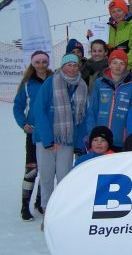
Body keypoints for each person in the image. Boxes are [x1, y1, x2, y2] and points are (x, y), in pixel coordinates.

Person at [33, 54, 88, 225]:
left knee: (64, 177)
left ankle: (61, 212)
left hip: (68, 139)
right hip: (47, 139)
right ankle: (47, 212)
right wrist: (48, 139)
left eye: (75, 65)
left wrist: (79, 145)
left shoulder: (82, 85)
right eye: (69, 65)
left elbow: (82, 118)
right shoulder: (51, 82)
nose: (72, 68)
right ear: (62, 66)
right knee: (47, 177)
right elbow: (39, 110)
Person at [13, 51, 52, 221]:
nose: (41, 65)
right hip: (34, 133)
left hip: (49, 133)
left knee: (46, 169)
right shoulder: (28, 84)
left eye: (44, 61)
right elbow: (18, 106)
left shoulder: (54, 80)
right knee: (32, 169)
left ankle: (39, 202)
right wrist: (23, 123)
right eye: (38, 62)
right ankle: (24, 206)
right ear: (33, 63)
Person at [87, 50, 132, 151]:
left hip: (121, 139)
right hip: (100, 140)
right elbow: (92, 111)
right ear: (109, 64)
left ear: (126, 66)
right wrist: (91, 134)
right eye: (115, 62)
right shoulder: (99, 82)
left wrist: (131, 137)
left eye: (122, 63)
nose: (118, 66)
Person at [107, 0, 132, 71]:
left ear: (125, 11)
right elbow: (101, 49)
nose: (116, 14)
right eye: (113, 12)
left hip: (126, 70)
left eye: (119, 10)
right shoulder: (108, 28)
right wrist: (92, 37)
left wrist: (120, 65)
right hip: (110, 69)